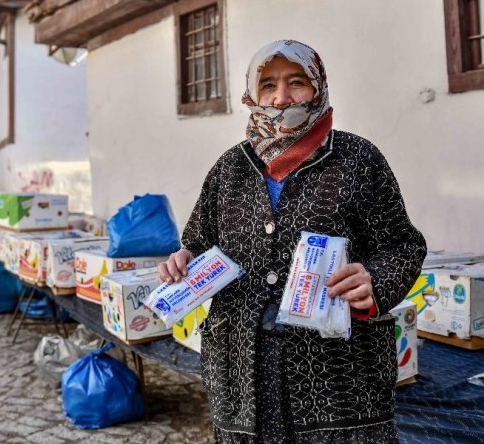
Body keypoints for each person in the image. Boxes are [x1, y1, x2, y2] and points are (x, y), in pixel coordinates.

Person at [159, 40, 426, 444]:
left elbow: (403, 246)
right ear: (253, 94)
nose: (281, 97)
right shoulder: (230, 168)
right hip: (241, 368)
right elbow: (199, 242)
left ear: (318, 88)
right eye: (268, 85)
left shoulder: (357, 160)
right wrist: (183, 259)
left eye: (296, 82)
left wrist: (374, 279)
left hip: (337, 376)